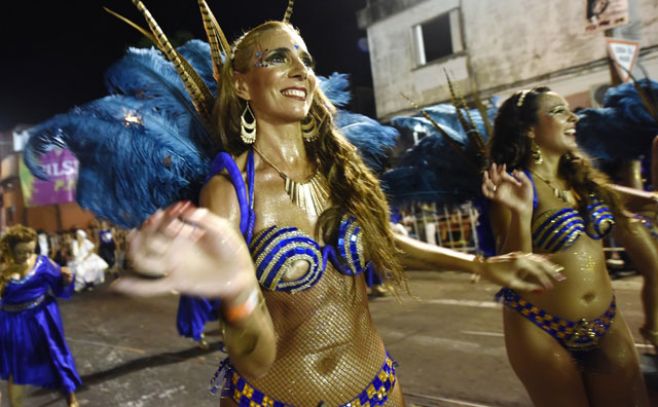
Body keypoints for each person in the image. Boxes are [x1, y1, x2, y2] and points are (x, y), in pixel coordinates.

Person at [113, 15, 563, 406]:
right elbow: (253, 359)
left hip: (380, 389)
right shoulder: (231, 191)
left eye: (305, 61)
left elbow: (386, 243)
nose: (300, 70)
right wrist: (236, 291)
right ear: (241, 83)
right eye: (277, 58)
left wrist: (484, 265)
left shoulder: (342, 171)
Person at [483, 87, 649, 406]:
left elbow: (638, 204)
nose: (573, 116)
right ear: (529, 130)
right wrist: (519, 214)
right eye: (559, 111)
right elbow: (514, 274)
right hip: (541, 326)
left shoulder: (584, 180)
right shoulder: (515, 186)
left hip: (606, 319)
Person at [0, 225, 81, 407]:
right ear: (10, 249)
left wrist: (66, 280)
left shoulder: (43, 264)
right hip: (13, 323)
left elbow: (60, 289)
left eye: (30, 250)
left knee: (56, 355)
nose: (28, 256)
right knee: (16, 366)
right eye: (21, 252)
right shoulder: (2, 269)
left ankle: (71, 396)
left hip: (42, 317)